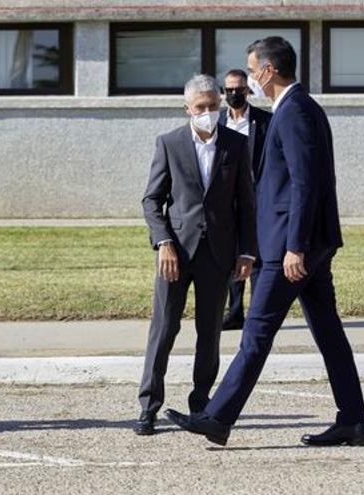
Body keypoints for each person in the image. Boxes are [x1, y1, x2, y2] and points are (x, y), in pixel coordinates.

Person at [167, 37, 364, 447]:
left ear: (268, 70)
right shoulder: (300, 108)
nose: (248, 80)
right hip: (304, 244)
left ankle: (218, 418)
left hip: (289, 249)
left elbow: (304, 183)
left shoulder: (294, 111)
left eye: (252, 69)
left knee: (255, 334)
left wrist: (295, 246)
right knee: (329, 333)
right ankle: (353, 419)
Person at [134, 74, 257, 436]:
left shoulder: (236, 145)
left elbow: (245, 205)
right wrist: (163, 243)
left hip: (218, 255)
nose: (208, 113)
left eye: (213, 106)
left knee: (210, 333)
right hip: (176, 252)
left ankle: (201, 404)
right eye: (200, 108)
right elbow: (152, 200)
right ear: (187, 108)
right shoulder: (169, 143)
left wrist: (246, 251)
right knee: (164, 329)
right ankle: (148, 405)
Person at [218, 69, 272, 330]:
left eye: (238, 89)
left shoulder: (264, 121)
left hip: (258, 199)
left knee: (257, 256)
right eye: (228, 89)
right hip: (229, 200)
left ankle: (258, 314)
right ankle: (235, 312)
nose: (234, 94)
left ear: (248, 90)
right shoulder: (218, 122)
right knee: (232, 256)